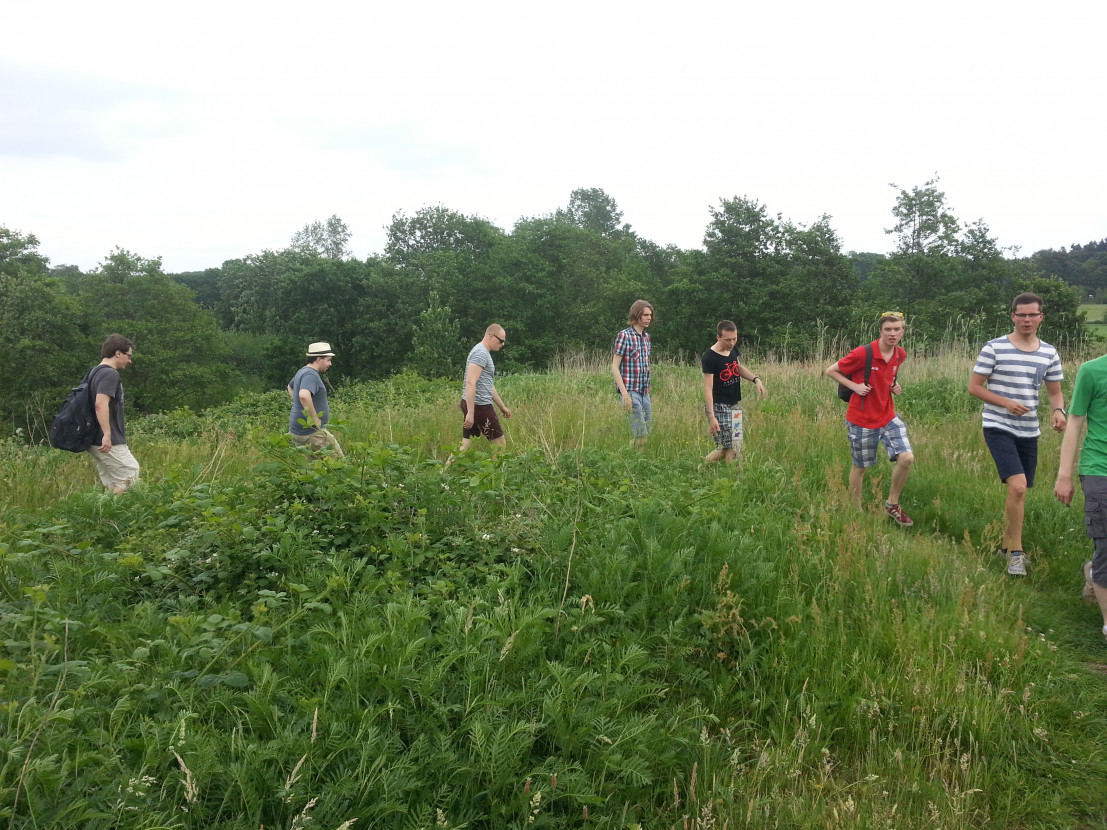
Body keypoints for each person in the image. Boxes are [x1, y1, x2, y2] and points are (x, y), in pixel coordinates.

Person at [969, 292, 1065, 576]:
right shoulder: (994, 348)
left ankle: (1004, 546)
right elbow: (975, 387)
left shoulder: (1048, 352)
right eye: (1021, 314)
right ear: (1012, 316)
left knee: (1019, 493)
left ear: (1040, 317)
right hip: (997, 425)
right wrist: (1006, 403)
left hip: (1029, 430)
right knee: (1018, 486)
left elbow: (1055, 392)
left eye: (1032, 314)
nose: (1026, 319)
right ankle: (1016, 553)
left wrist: (1059, 412)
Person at [824, 312, 914, 526]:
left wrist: (893, 386)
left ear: (903, 331)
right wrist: (854, 386)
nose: (892, 333)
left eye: (897, 329)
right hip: (861, 419)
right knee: (861, 467)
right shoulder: (863, 353)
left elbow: (887, 377)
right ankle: (855, 510)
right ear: (880, 331)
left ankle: (892, 504)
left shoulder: (900, 354)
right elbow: (830, 370)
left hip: (888, 416)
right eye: (888, 329)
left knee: (907, 458)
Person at [1054, 353, 1107, 644]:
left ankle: (1092, 572)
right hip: (1100, 469)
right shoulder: (1092, 371)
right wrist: (1065, 475)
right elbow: (1074, 424)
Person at [701, 320, 766, 464]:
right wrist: (712, 417)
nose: (731, 343)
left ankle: (722, 473)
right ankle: (723, 474)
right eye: (727, 340)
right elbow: (707, 388)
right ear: (718, 337)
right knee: (729, 446)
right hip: (719, 406)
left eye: (734, 339)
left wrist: (756, 379)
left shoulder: (732, 349)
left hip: (734, 405)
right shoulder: (709, 358)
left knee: (733, 443)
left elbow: (737, 367)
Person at [87, 334, 140, 494]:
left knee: (111, 482)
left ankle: (106, 515)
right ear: (118, 353)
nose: (129, 361)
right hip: (106, 439)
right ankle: (119, 514)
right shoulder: (110, 374)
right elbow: (100, 404)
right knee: (130, 473)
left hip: (93, 437)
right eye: (128, 356)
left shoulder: (93, 372)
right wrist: (107, 434)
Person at [458, 324, 512, 453]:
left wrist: (502, 406)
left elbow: (488, 385)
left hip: (472, 404)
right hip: (479, 406)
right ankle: (495, 473)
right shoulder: (480, 353)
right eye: (501, 340)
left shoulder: (483, 352)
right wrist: (471, 413)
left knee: (466, 446)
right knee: (499, 444)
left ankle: (444, 473)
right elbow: (470, 382)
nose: (503, 344)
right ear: (490, 336)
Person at [287, 341, 344, 458]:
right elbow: (303, 395)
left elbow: (290, 387)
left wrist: (298, 405)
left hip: (299, 432)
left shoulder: (302, 371)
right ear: (319, 359)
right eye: (328, 360)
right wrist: (314, 418)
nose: (330, 364)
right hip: (312, 433)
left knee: (314, 469)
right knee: (338, 464)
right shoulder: (311, 375)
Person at [612, 299, 654, 450]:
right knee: (640, 435)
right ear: (636, 315)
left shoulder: (646, 338)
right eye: (645, 315)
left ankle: (631, 459)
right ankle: (627, 458)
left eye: (650, 315)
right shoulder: (624, 336)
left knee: (646, 432)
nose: (649, 318)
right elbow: (614, 367)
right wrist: (625, 395)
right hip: (630, 391)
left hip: (644, 391)